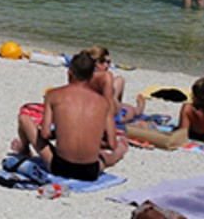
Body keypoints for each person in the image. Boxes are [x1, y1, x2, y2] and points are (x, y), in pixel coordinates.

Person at [11, 52, 127, 181]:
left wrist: (63, 134)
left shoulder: (53, 94)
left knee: (24, 119)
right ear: (91, 75)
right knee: (108, 156)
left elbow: (45, 134)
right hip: (90, 172)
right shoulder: (104, 103)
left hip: (60, 167)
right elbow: (111, 144)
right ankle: (120, 152)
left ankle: (24, 149)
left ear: (70, 72)